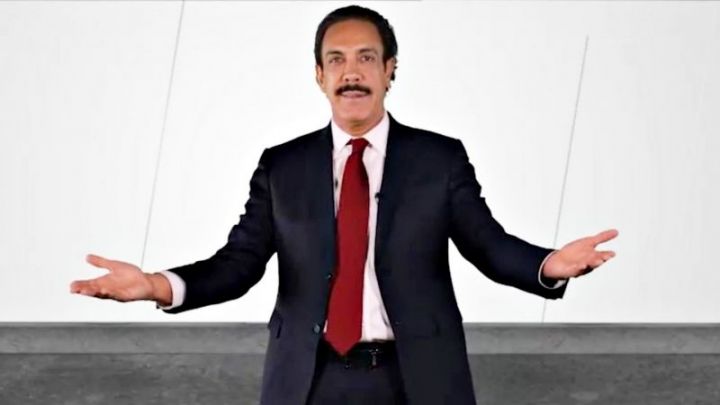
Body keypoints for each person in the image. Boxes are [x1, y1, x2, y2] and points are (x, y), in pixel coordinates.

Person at [70, 5, 618, 405]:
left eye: (366, 58)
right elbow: (238, 265)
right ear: (320, 76)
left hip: (417, 378)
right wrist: (156, 285)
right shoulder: (281, 167)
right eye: (336, 60)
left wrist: (549, 265)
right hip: (307, 381)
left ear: (390, 69)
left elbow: (488, 246)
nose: (351, 72)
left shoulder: (439, 160)